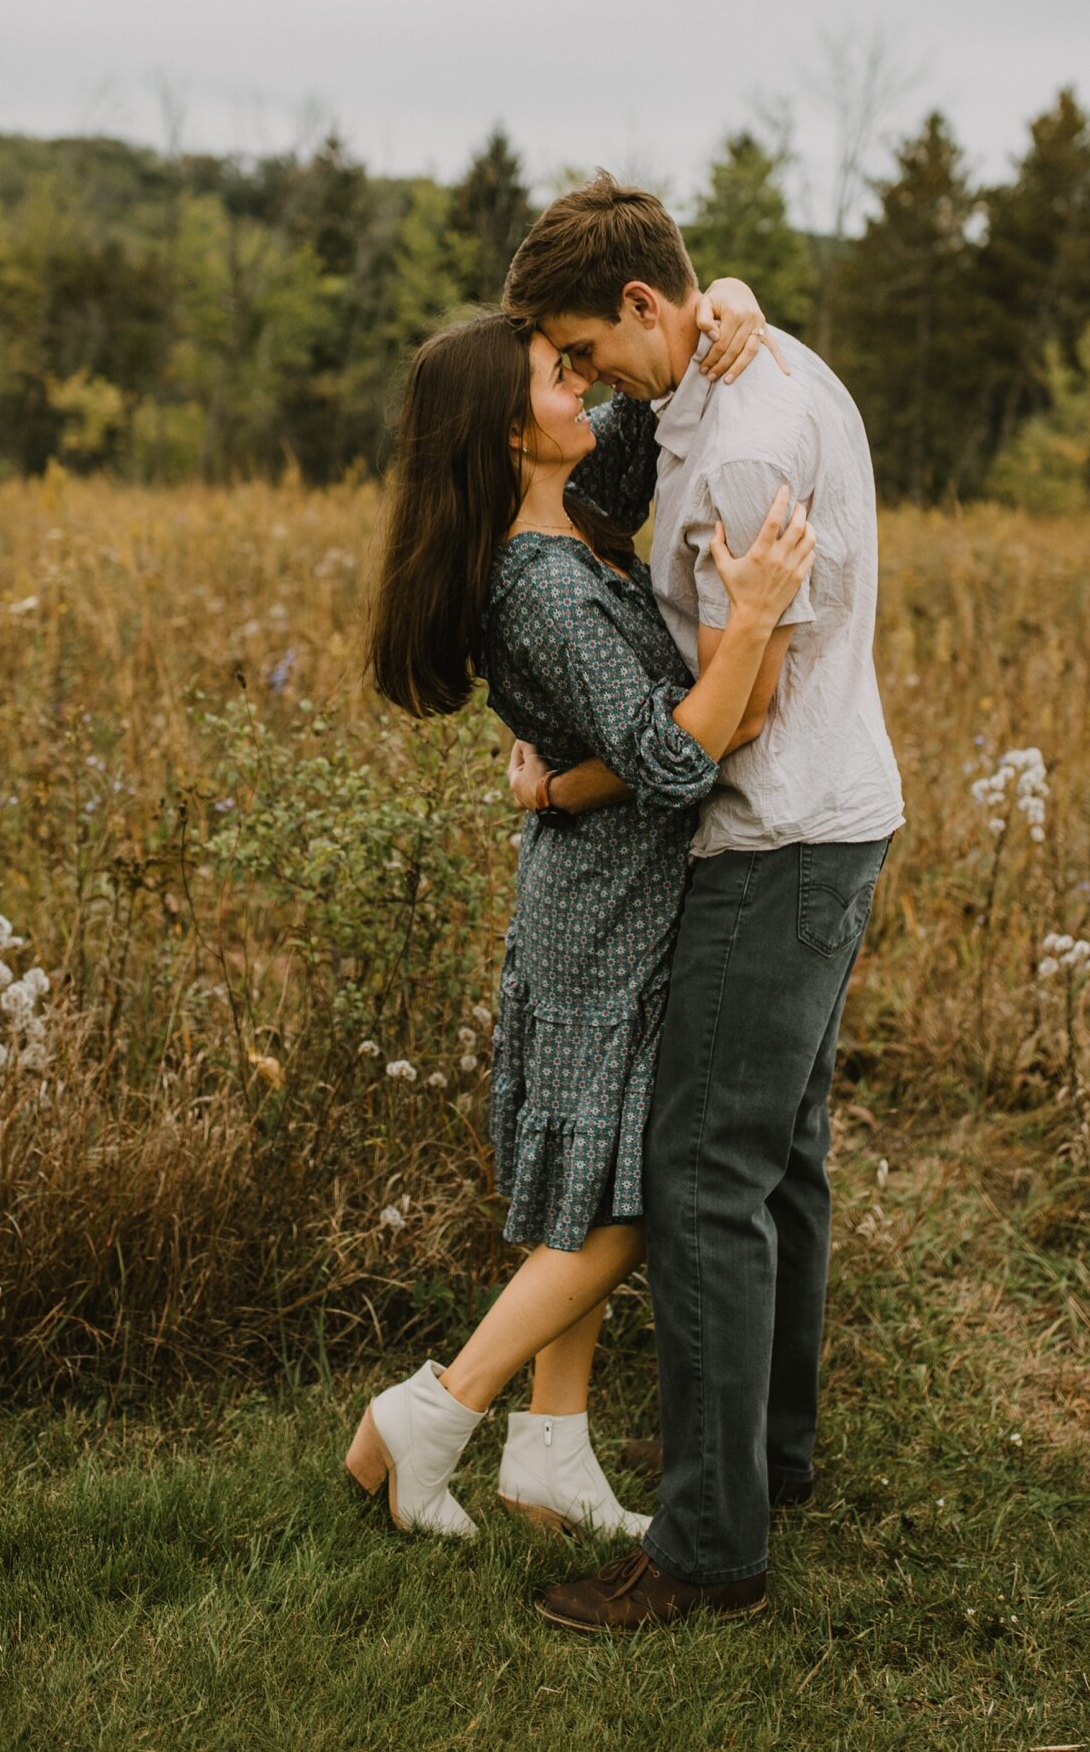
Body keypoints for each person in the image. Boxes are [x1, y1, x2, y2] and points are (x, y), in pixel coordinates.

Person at [500, 172, 904, 1632]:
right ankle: (770, 1460)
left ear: (642, 306)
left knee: (702, 1175)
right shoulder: (750, 359)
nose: (584, 379)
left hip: (775, 835)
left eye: (585, 346)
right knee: (780, 1153)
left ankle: (707, 1549)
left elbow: (740, 709)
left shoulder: (741, 445)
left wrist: (574, 780)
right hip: (838, 813)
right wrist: (733, 295)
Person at [348, 282, 814, 1542]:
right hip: (605, 904)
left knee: (599, 1181)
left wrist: (723, 299)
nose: (583, 388)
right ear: (510, 430)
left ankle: (549, 1455)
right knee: (629, 1206)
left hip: (599, 878)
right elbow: (676, 762)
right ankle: (435, 1411)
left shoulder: (574, 497)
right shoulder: (543, 584)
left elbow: (656, 389)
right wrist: (757, 613)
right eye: (558, 376)